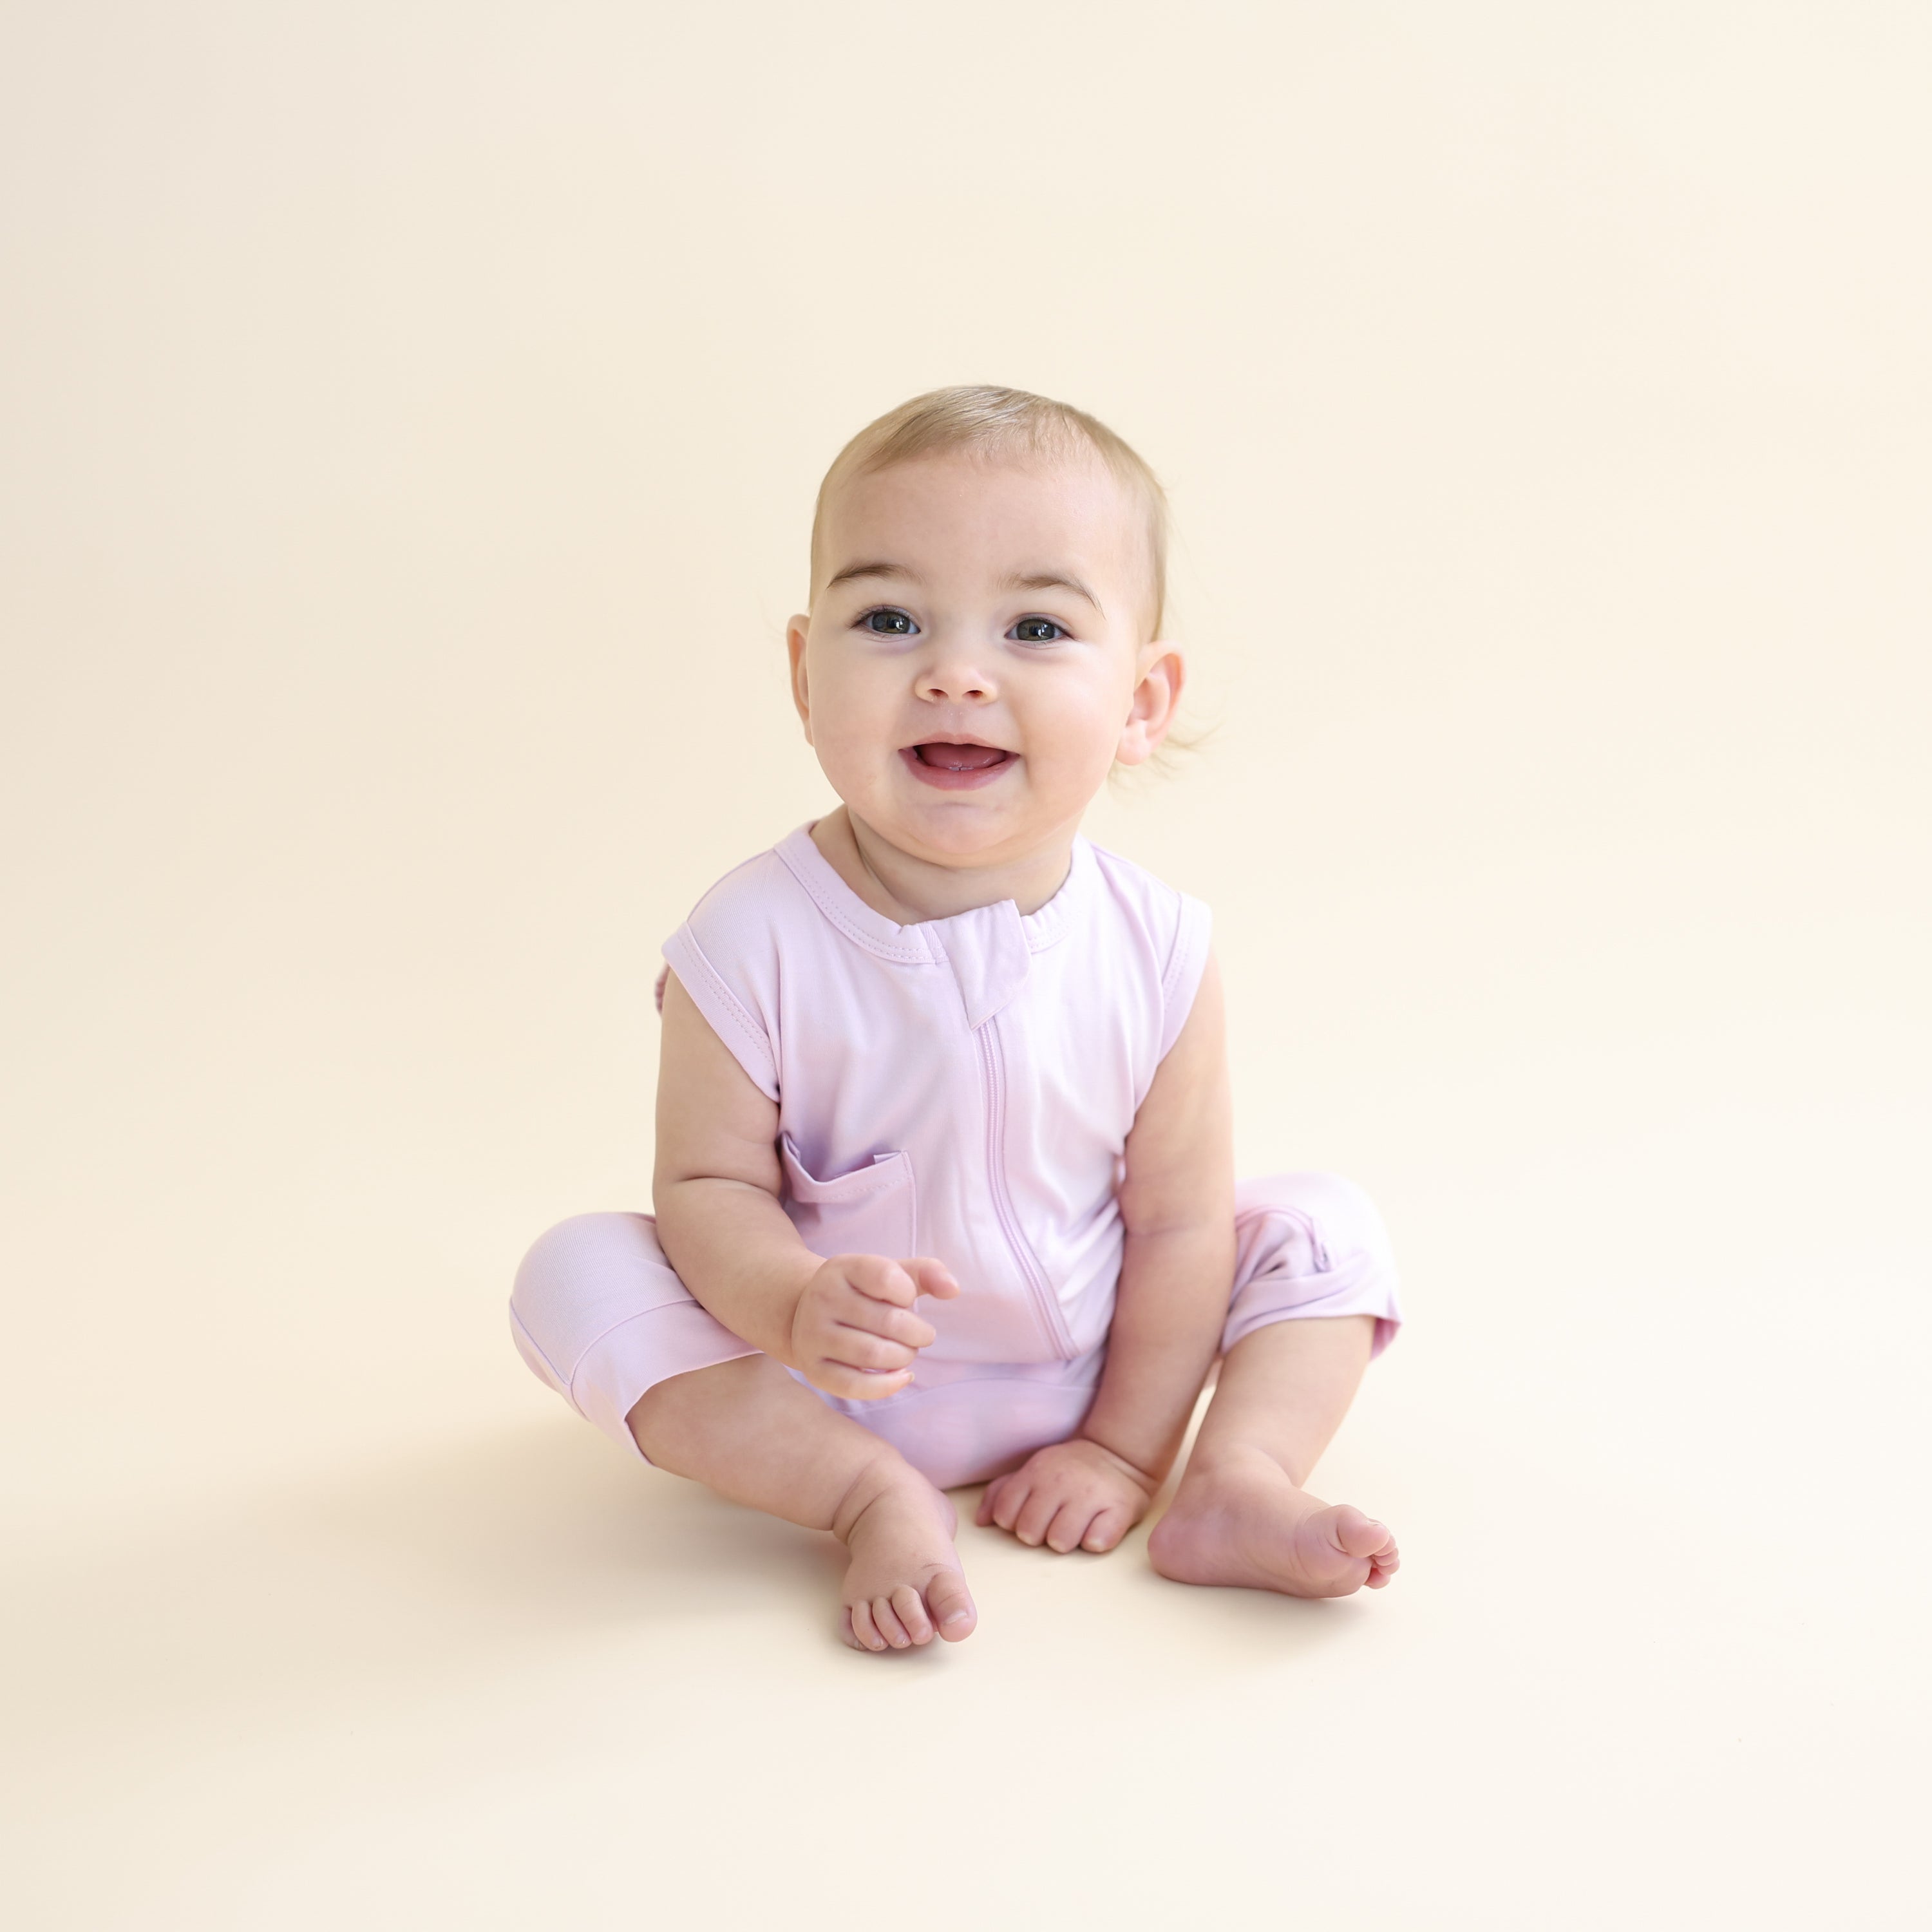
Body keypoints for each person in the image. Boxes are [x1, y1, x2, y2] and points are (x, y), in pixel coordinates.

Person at [510, 386, 1402, 1651]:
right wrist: (789, 1303)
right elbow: (707, 1186)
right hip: (828, 1386)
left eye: (1036, 626)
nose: (956, 674)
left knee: (1324, 1227)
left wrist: (1120, 1450)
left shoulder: (1157, 947)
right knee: (574, 1271)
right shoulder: (748, 939)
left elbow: (1183, 1219)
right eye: (888, 619)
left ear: (1142, 701)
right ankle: (866, 1499)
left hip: (1105, 1364)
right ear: (804, 670)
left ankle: (1229, 1481)